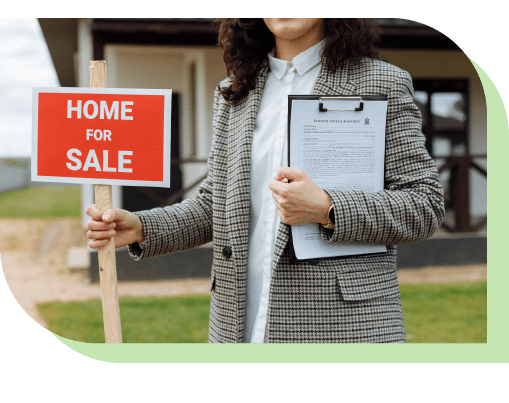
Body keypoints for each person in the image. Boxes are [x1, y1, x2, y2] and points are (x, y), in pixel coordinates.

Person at [86, 18, 444, 344]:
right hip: (237, 324)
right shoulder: (233, 92)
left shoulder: (381, 82)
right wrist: (142, 226)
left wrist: (328, 208)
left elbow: (424, 204)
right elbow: (217, 204)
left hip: (344, 327)